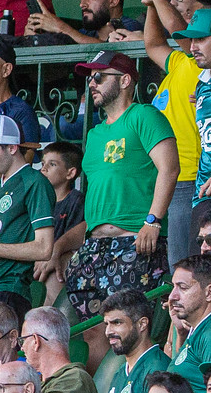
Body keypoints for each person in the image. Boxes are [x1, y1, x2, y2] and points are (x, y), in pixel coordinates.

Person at [66, 51, 177, 323]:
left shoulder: (144, 115)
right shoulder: (94, 134)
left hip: (133, 242)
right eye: (90, 78)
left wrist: (152, 222)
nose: (92, 83)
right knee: (93, 329)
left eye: (100, 77)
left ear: (125, 80)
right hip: (94, 247)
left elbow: (170, 168)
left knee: (128, 327)